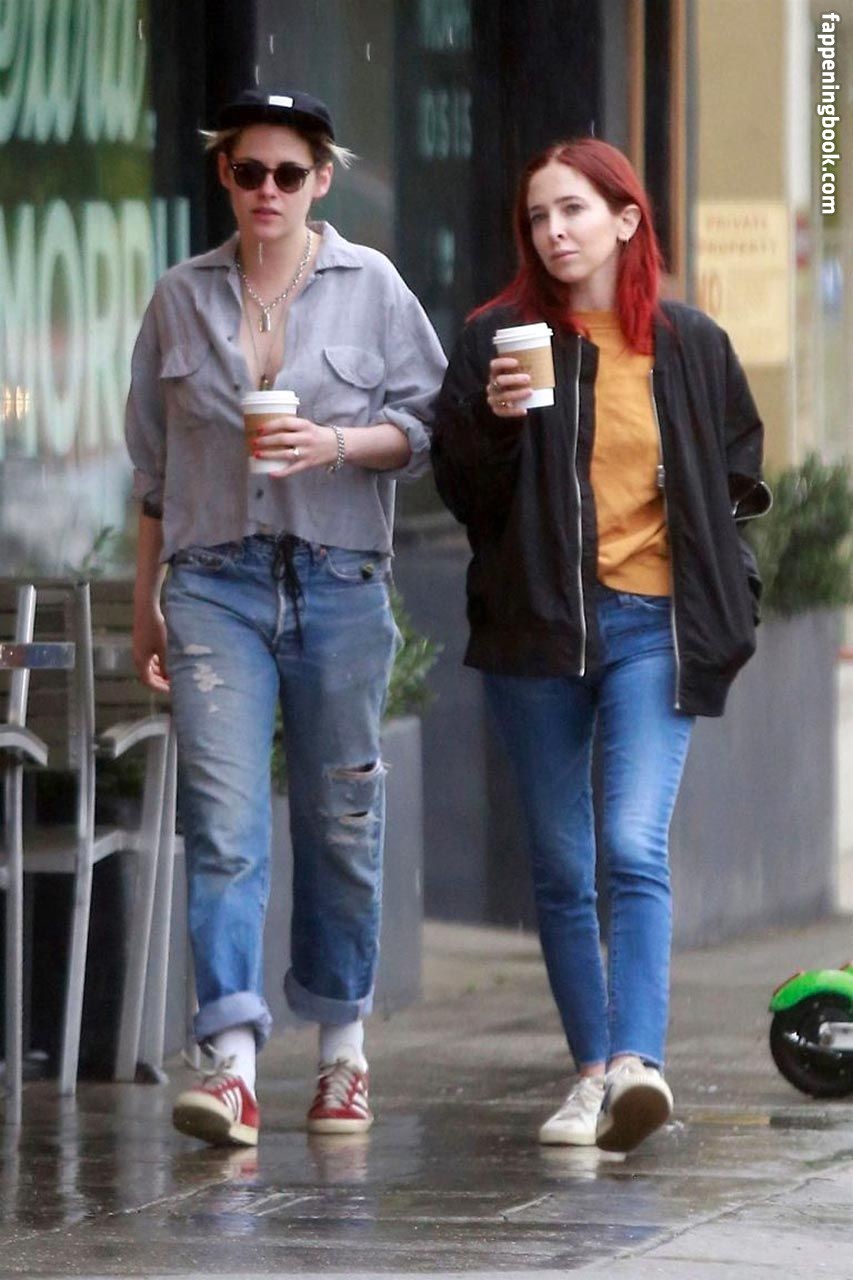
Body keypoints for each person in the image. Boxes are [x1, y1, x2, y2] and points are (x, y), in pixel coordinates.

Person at [431, 138, 770, 1154]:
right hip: (534, 628)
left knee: (630, 843)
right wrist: (495, 423)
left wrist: (734, 581)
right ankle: (590, 1075)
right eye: (537, 216)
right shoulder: (497, 338)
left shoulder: (688, 343)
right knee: (560, 864)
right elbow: (463, 494)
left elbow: (736, 470)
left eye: (572, 209)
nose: (553, 231)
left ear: (626, 219)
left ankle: (636, 1064)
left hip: (651, 625)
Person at [126, 88, 446, 1148]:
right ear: (225, 176)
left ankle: (342, 1053)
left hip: (339, 579)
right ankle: (230, 1064)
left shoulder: (374, 286)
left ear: (322, 179)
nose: (267, 190)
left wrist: (335, 444)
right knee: (223, 825)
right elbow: (152, 474)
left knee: (342, 819)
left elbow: (427, 427)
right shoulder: (179, 296)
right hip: (211, 583)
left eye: (288, 173)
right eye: (247, 171)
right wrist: (148, 602)